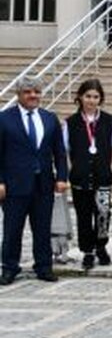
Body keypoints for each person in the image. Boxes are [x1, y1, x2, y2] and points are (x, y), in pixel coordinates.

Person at [0, 79, 68, 285]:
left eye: (37, 91)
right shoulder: (4, 119)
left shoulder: (49, 118)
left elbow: (59, 151)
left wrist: (62, 177)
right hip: (14, 185)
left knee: (42, 229)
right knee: (12, 230)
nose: (33, 95)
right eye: (28, 92)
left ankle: (44, 267)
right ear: (18, 95)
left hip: (43, 185)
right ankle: (9, 268)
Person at [64, 79, 112, 271]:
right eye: (88, 96)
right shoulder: (70, 123)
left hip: (102, 174)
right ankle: (87, 251)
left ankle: (101, 246)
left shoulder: (109, 121)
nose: (91, 100)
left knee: (103, 213)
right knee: (84, 214)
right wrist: (72, 169)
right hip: (80, 176)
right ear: (80, 97)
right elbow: (65, 149)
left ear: (100, 99)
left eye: (96, 97)